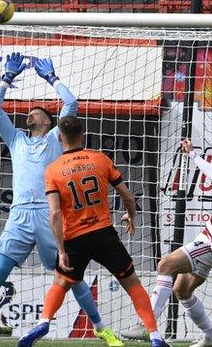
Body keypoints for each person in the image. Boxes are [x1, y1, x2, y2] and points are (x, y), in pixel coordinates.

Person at [0, 53, 121, 347]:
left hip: (49, 215)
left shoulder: (55, 138)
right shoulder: (16, 139)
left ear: (49, 121)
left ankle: (101, 328)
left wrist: (51, 79)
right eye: (29, 112)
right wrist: (6, 78)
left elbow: (72, 105)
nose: (30, 114)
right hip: (19, 216)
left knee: (72, 275)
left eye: (36, 112)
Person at [123, 139, 212, 347]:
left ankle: (147, 325)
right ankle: (211, 337)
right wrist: (192, 154)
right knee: (182, 290)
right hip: (206, 241)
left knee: (165, 264)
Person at [44, 115, 170, 347]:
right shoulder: (100, 159)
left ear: (60, 136)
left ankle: (43, 322)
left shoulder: (52, 170)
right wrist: (131, 216)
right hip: (103, 233)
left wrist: (61, 250)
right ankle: (154, 335)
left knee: (61, 282)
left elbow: (54, 214)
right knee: (132, 284)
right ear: (83, 134)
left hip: (74, 238)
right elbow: (128, 196)